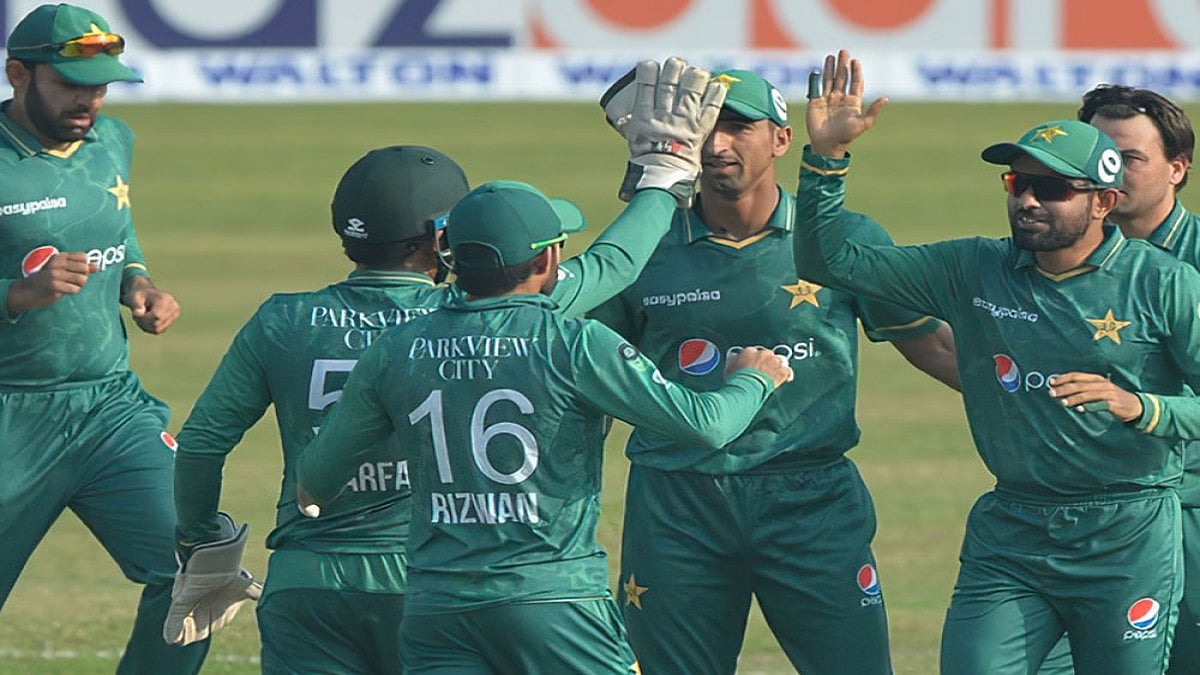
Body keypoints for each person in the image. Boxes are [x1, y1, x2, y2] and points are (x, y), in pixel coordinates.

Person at [175, 57, 730, 671]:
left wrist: (201, 541)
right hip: (427, 580)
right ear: (444, 238)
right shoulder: (479, 308)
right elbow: (612, 264)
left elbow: (202, 442)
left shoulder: (282, 320)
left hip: (308, 583)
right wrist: (663, 175)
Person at [795, 49, 1200, 674]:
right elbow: (831, 263)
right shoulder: (974, 266)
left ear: (1102, 202)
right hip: (1013, 530)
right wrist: (827, 160)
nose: (1028, 201)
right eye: (1017, 184)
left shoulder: (1165, 283)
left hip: (1130, 534)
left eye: (1052, 189)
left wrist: (1139, 407)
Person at [295, 177, 794, 673]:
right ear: (546, 260)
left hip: (437, 611)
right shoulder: (574, 343)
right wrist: (754, 379)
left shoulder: (397, 348)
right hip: (555, 603)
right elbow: (706, 425)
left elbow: (315, 478)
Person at [589, 69, 959, 674]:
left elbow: (936, 347)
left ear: (782, 140)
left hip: (811, 498)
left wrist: (1042, 398)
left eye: (739, 128)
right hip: (677, 501)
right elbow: (586, 371)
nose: (717, 145)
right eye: (705, 128)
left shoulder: (841, 238)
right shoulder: (643, 245)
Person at [0, 3, 203, 673]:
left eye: (101, 86)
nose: (89, 101)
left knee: (198, 571)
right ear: (18, 75)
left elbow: (116, 224)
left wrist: (137, 281)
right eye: (70, 84)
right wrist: (15, 294)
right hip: (10, 415)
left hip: (107, 406)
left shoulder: (113, 139)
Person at [1071, 84, 1197, 675]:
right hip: (1067, 514)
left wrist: (1141, 408)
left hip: (1186, 507)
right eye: (1097, 155)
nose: (1108, 172)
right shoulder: (1049, 251)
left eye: (1128, 158)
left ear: (1177, 169)